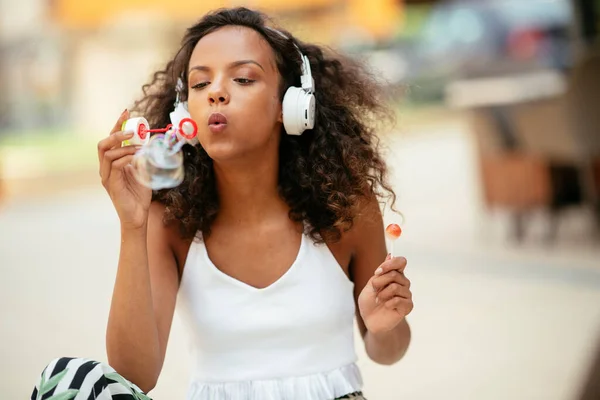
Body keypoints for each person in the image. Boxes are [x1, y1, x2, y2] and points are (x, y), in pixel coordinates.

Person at [31, 7, 413, 400]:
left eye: (243, 78)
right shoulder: (170, 221)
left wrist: (384, 324)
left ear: (292, 106)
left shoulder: (346, 208)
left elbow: (388, 351)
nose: (215, 91)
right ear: (184, 114)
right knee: (69, 381)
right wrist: (133, 226)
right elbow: (133, 376)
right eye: (199, 84)